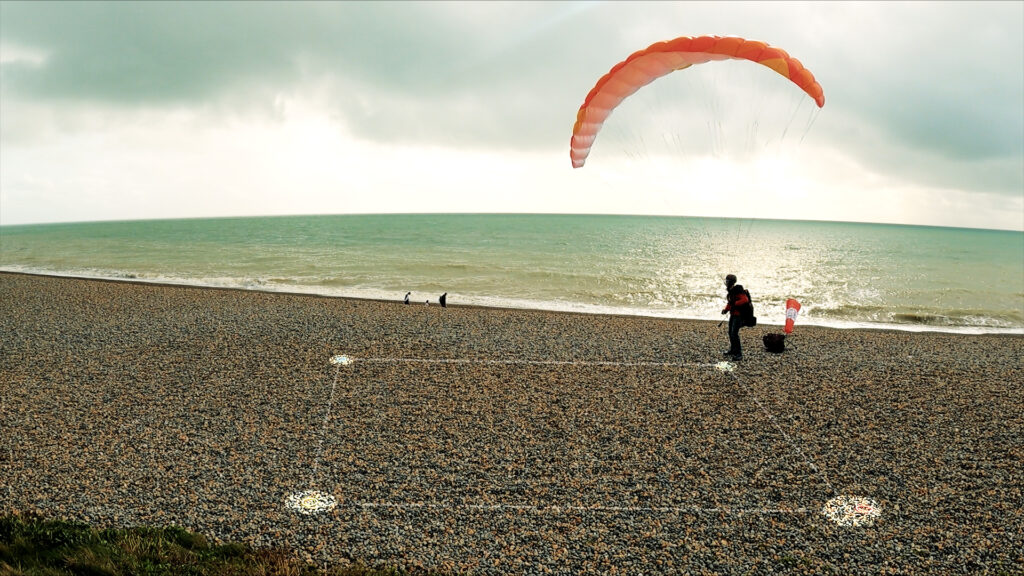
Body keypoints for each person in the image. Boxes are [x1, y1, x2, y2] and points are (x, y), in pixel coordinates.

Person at [721, 274, 751, 360]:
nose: (726, 282)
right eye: (726, 281)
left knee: (734, 334)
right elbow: (730, 302)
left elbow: (745, 300)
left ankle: (739, 354)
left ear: (731, 282)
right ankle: (733, 350)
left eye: (727, 281)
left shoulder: (738, 290)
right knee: (730, 332)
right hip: (733, 314)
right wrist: (726, 310)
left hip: (738, 316)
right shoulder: (731, 291)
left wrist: (735, 304)